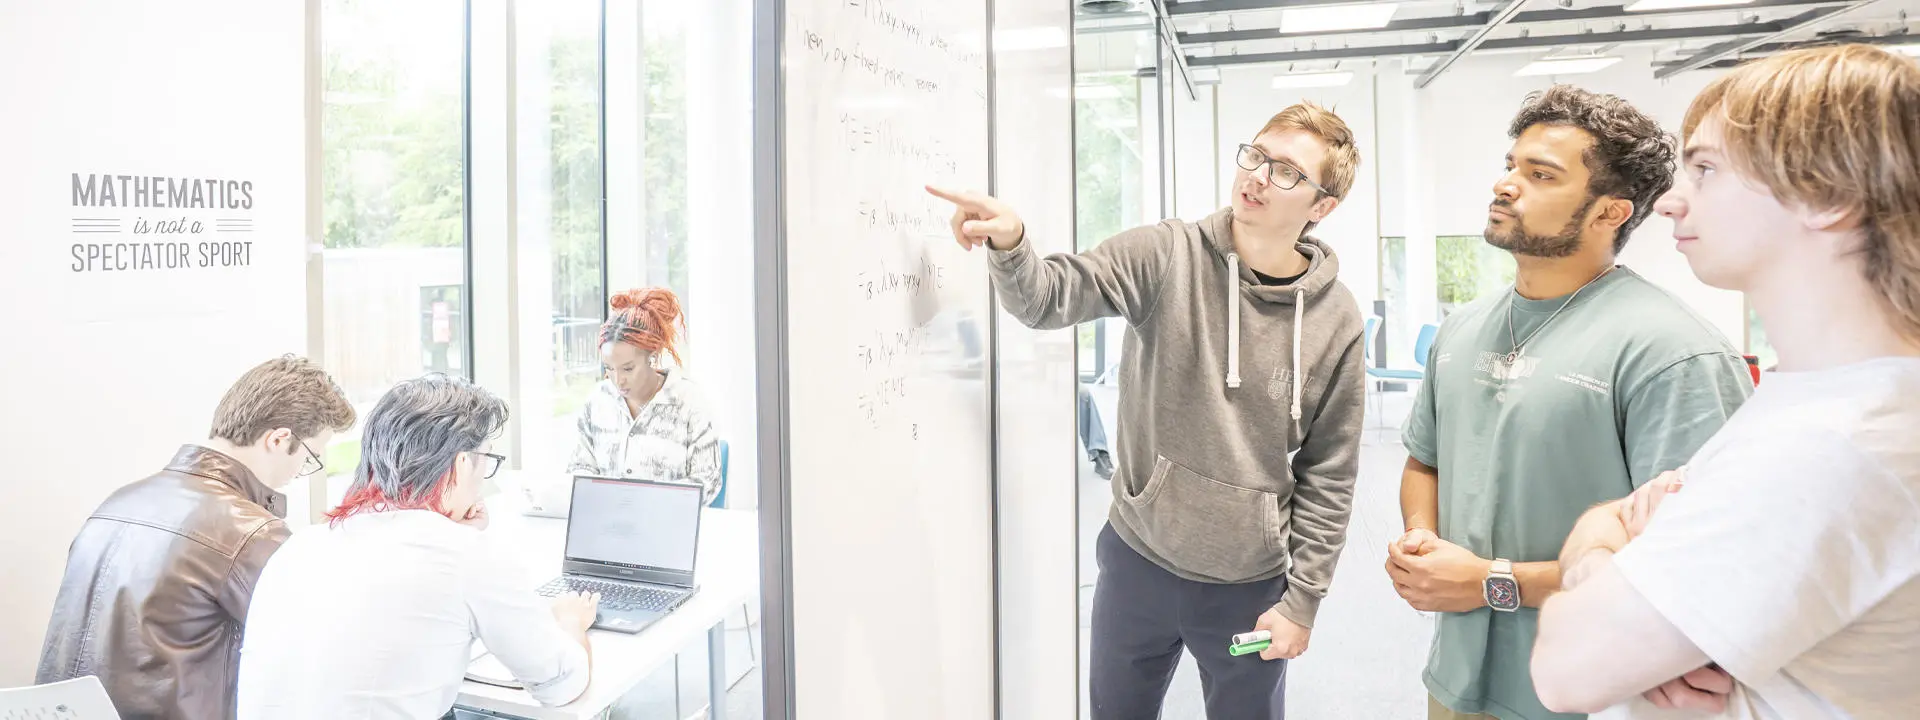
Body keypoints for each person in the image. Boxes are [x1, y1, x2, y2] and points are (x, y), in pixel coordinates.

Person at [929, 100, 1368, 720]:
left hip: (1248, 585)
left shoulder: (1336, 318)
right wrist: (1013, 242)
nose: (1258, 176)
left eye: (1287, 171)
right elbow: (1047, 300)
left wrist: (1303, 603)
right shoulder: (1166, 255)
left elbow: (1331, 471)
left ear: (1321, 207)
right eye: (1256, 155)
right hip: (1139, 563)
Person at [1533, 44, 1920, 719]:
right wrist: (1618, 543)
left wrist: (1598, 553)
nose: (1672, 203)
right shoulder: (1818, 402)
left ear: (1825, 194)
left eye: (1706, 169)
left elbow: (1565, 669)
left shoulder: (1830, 446)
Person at [1387, 85, 1754, 720]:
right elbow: (1426, 461)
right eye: (1510, 166)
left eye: (1540, 174)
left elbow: (1694, 565)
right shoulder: (1462, 328)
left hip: (1590, 695)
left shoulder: (1672, 352)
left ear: (1610, 212)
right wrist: (1423, 544)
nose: (1506, 185)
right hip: (1454, 680)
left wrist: (1489, 583)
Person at [236, 374, 599, 719]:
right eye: (485, 462)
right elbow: (562, 685)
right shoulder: (463, 554)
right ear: (459, 465)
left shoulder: (301, 546)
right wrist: (570, 623)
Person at [36, 355, 356, 719]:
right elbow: (313, 654)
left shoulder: (116, 502)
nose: (303, 471)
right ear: (280, 439)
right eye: (312, 457)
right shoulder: (252, 534)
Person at [568, 287, 722, 504]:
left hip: (670, 526)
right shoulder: (597, 401)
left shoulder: (689, 401)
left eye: (628, 369)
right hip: (608, 524)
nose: (617, 379)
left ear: (653, 356)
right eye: (609, 368)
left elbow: (708, 480)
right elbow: (579, 468)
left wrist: (650, 505)